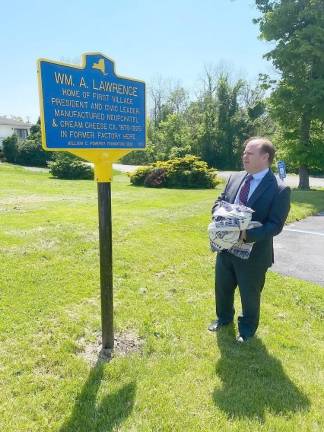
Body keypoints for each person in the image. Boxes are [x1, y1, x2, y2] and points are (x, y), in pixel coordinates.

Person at [208, 137, 291, 342]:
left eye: (249, 153)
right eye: (244, 152)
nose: (244, 156)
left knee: (249, 295)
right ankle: (223, 318)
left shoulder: (279, 189)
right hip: (226, 247)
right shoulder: (235, 177)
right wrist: (219, 214)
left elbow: (275, 225)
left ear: (265, 157)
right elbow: (220, 200)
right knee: (222, 287)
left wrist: (247, 234)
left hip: (253, 254)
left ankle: (246, 330)